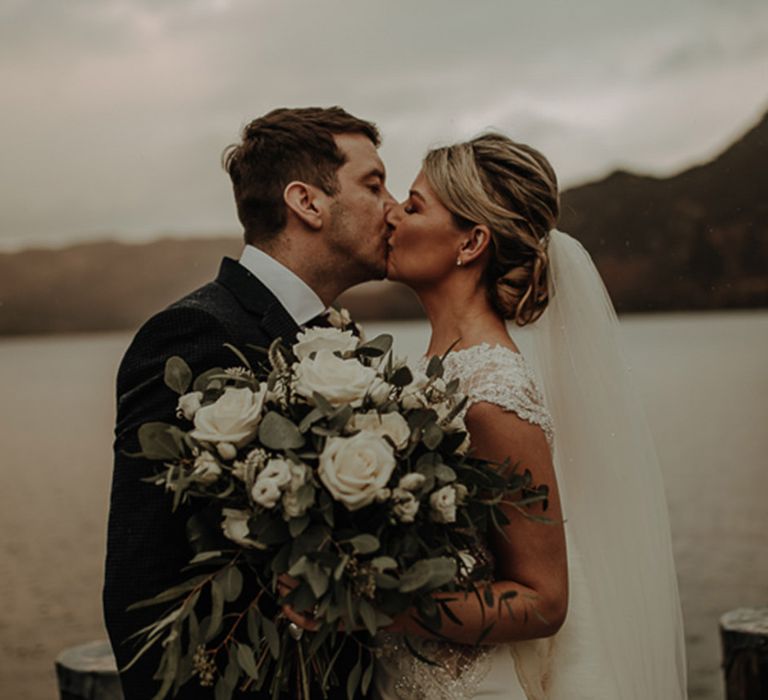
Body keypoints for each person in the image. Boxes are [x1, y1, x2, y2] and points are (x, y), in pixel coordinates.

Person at [373, 133, 688, 698]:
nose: (393, 213)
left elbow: (544, 602)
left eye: (414, 205)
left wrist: (386, 608)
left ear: (471, 242)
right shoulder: (432, 369)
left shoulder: (492, 392)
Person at [103, 106, 395, 699]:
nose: (393, 207)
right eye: (374, 184)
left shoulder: (340, 339)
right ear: (307, 202)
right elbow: (141, 582)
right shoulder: (194, 334)